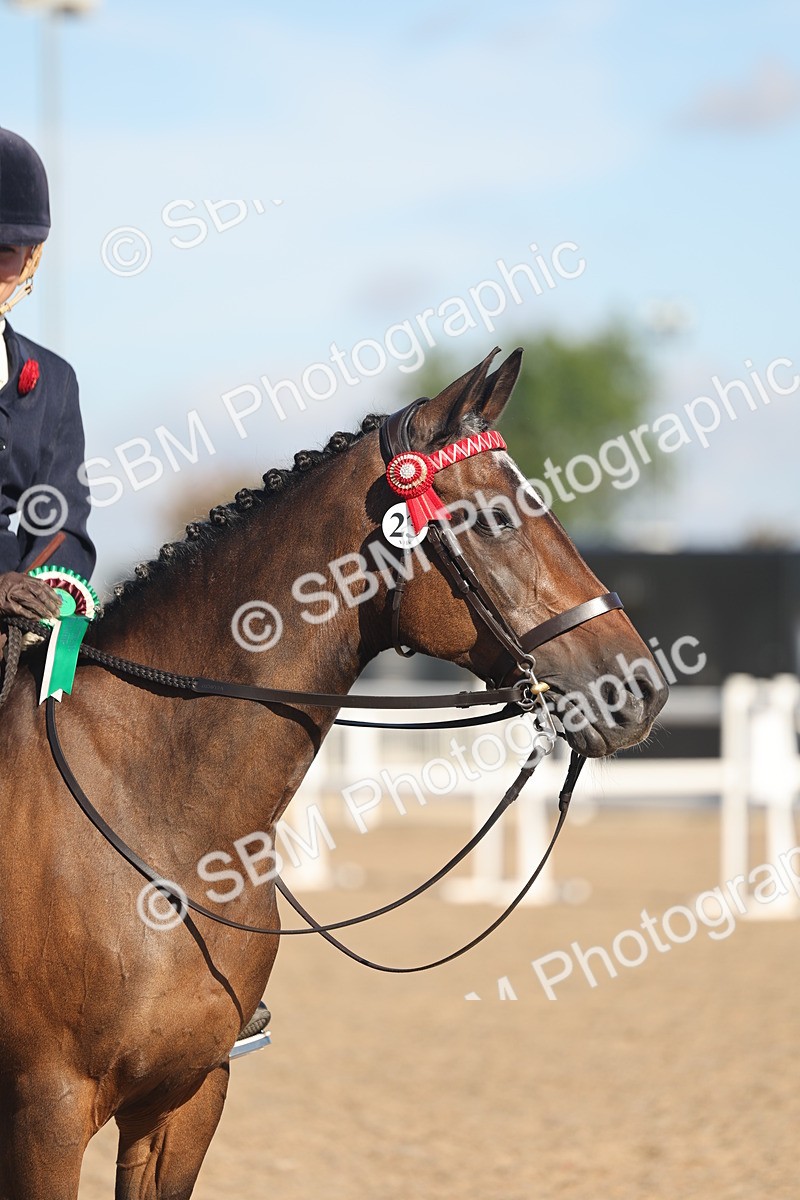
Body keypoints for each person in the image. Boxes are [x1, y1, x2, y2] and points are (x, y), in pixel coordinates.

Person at [0, 127, 94, 633]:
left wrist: (44, 591)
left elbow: (62, 522)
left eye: (3, 254)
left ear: (31, 257)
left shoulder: (53, 381)